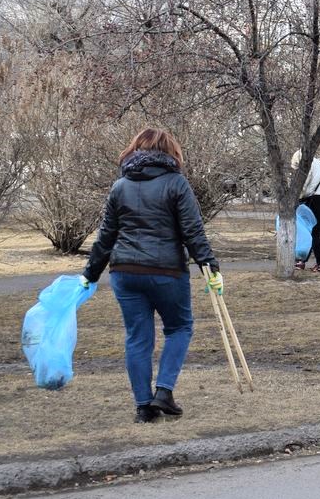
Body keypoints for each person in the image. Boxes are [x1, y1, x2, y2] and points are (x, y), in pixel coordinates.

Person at [83, 128, 221, 423]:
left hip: (125, 272)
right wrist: (209, 267)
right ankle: (164, 392)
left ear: (135, 150)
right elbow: (192, 231)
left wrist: (90, 274)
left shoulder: (120, 186)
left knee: (138, 337)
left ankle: (144, 407)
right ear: (170, 153)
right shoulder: (176, 183)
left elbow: (106, 236)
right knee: (180, 327)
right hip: (166, 271)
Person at [292, 150, 320, 272]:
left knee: (304, 230)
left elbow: (304, 182)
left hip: (315, 199)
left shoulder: (306, 162)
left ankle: (301, 261)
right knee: (315, 233)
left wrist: (297, 197)